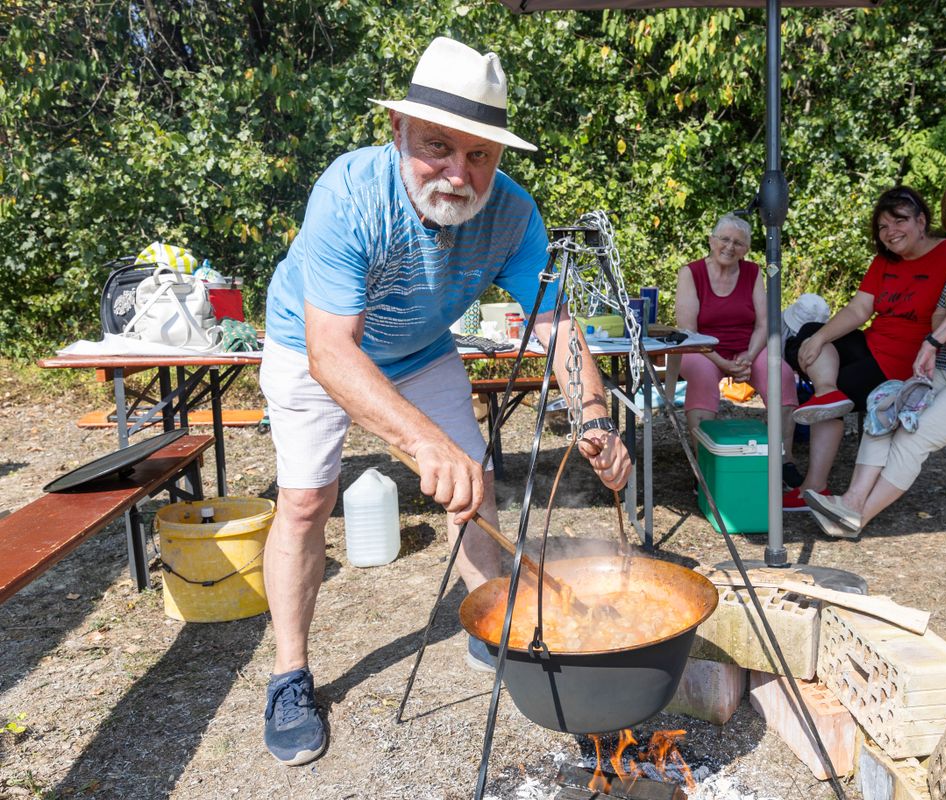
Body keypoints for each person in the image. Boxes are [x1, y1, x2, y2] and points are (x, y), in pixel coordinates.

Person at [256, 37, 631, 767]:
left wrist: (594, 414)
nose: (459, 174)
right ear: (397, 131)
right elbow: (334, 352)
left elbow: (555, 327)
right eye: (437, 147)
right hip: (310, 345)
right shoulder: (350, 193)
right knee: (306, 501)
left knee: (477, 484)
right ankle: (289, 674)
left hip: (423, 348)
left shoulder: (515, 215)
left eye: (480, 154)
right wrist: (426, 443)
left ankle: (491, 626)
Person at [782, 186, 946, 512]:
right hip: (922, 356)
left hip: (936, 360)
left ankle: (836, 498)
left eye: (899, 221)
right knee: (812, 338)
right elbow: (870, 310)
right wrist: (819, 339)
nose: (890, 232)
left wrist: (937, 339)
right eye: (883, 226)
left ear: (922, 221)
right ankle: (829, 404)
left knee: (878, 406)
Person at [674, 213, 802, 501]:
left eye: (739, 243)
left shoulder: (754, 272)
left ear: (746, 249)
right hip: (701, 349)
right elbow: (689, 332)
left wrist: (748, 356)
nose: (730, 247)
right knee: (704, 378)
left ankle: (782, 459)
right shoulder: (690, 273)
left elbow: (763, 323)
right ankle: (706, 467)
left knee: (780, 374)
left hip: (747, 347)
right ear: (711, 241)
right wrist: (723, 363)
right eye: (724, 239)